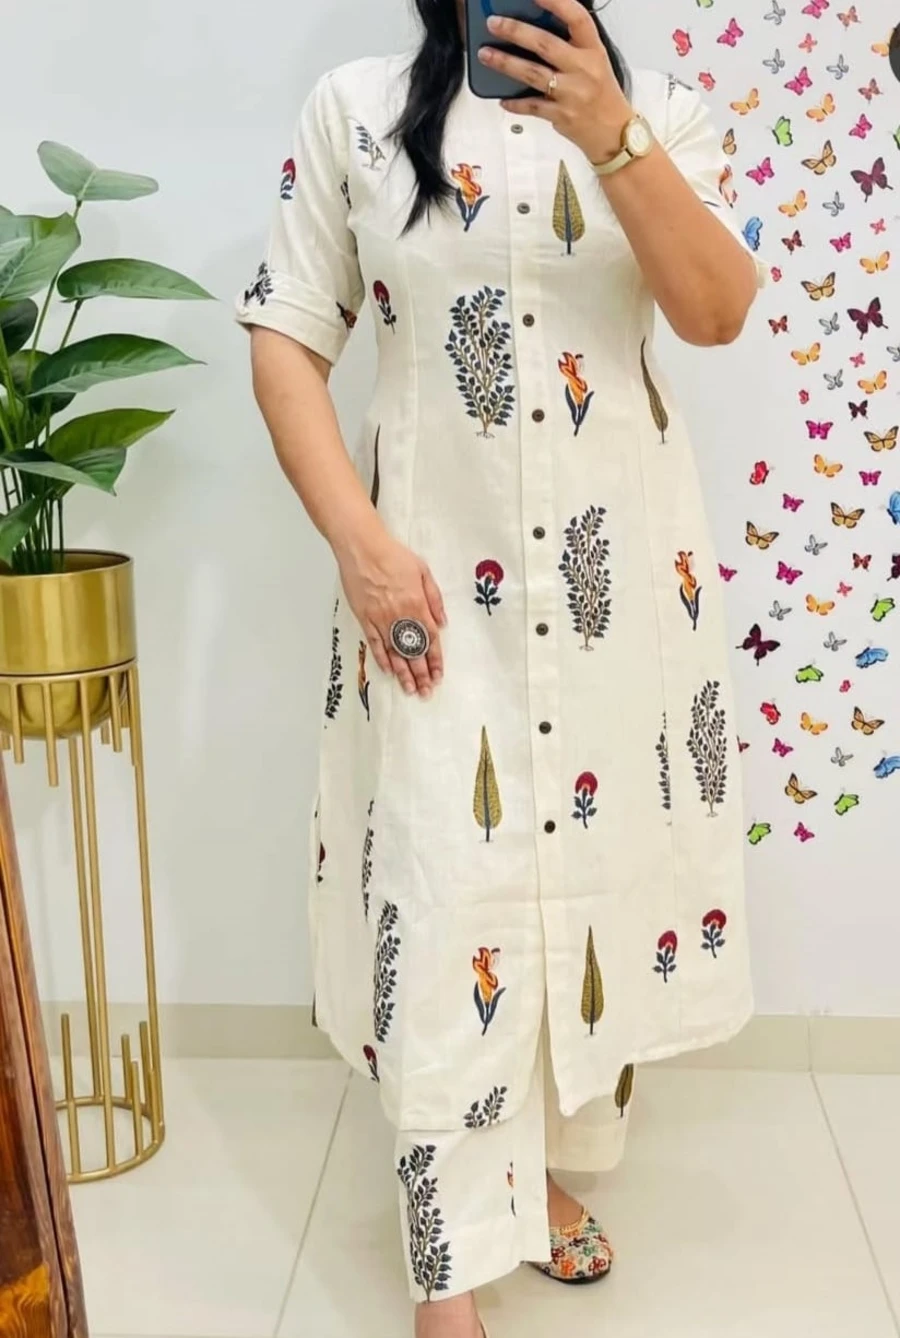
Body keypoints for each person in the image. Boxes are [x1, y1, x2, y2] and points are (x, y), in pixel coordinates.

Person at [235, 0, 766, 1334]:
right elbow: (286, 334)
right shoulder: (358, 114)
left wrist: (613, 133)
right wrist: (358, 544)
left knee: (580, 895)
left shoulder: (661, 113)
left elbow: (715, 312)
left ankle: (531, 1178)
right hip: (430, 593)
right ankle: (447, 1267)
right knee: (441, 898)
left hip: (613, 596)